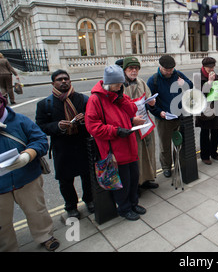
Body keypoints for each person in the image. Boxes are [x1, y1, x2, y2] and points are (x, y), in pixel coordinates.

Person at [85, 65, 146, 221]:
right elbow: (92, 126)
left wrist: (121, 98)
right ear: (108, 83)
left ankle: (133, 203)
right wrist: (116, 131)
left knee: (133, 178)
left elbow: (132, 110)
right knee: (122, 182)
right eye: (118, 83)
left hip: (129, 144)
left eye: (121, 83)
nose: (121, 86)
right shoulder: (95, 99)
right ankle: (124, 208)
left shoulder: (119, 94)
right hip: (114, 149)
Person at [0, 92, 60, 252]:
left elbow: (40, 139)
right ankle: (8, 247)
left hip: (27, 177)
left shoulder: (19, 120)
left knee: (36, 210)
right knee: (2, 222)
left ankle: (45, 235)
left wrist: (27, 155)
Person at [35, 70, 93, 219]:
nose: (63, 82)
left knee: (87, 175)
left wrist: (85, 118)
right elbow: (40, 127)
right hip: (62, 147)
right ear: (53, 83)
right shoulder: (45, 105)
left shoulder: (83, 99)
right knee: (66, 180)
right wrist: (58, 126)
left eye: (66, 79)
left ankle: (90, 200)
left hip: (82, 143)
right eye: (59, 79)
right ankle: (71, 207)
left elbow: (94, 118)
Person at [147, 55, 193, 177]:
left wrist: (184, 83)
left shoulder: (177, 74)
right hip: (164, 118)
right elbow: (149, 102)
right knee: (165, 145)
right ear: (160, 67)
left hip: (179, 116)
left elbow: (190, 85)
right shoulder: (153, 80)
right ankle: (166, 167)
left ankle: (178, 163)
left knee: (179, 142)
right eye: (167, 70)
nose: (169, 72)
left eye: (171, 69)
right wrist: (159, 113)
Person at [122, 57, 158, 190]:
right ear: (125, 69)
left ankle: (147, 179)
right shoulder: (120, 86)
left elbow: (148, 98)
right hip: (131, 126)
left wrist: (151, 103)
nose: (134, 71)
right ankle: (136, 185)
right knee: (135, 156)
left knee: (148, 152)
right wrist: (131, 120)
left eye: (136, 68)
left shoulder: (141, 82)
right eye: (131, 68)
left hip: (145, 123)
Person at [196, 57, 218, 164]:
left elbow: (217, 90)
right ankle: (204, 156)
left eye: (213, 67)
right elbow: (199, 94)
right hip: (205, 108)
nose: (211, 69)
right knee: (204, 132)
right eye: (209, 67)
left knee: (215, 131)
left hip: (216, 106)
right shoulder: (198, 77)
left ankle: (214, 152)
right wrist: (209, 82)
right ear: (204, 67)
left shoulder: (215, 75)